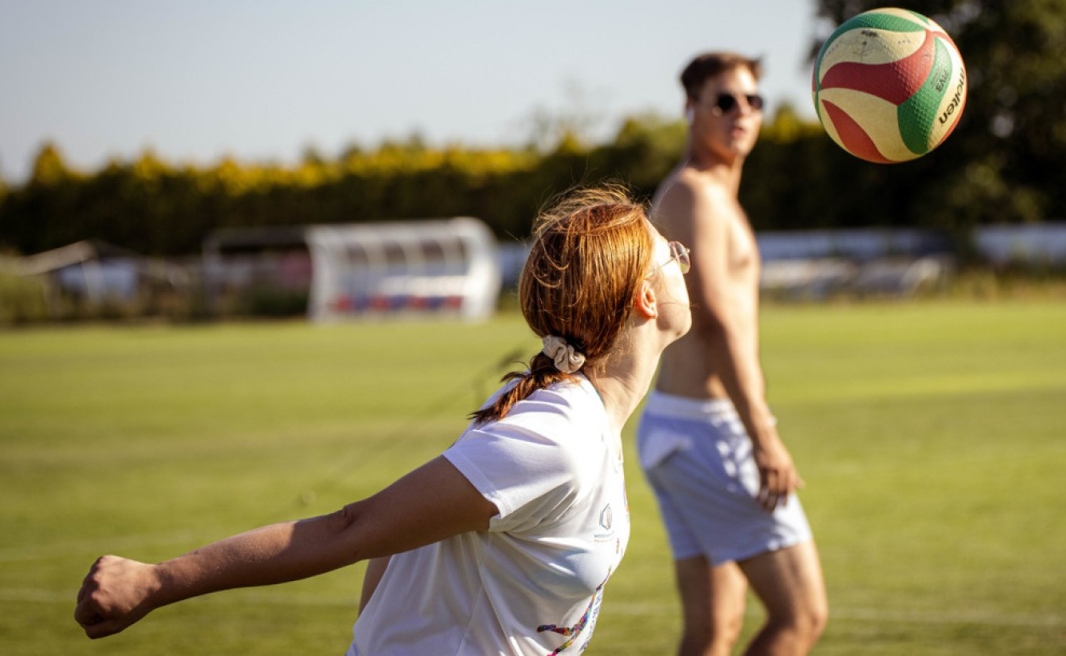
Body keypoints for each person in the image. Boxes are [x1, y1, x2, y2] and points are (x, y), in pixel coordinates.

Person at [75, 185, 693, 655]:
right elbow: (354, 529)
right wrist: (157, 581)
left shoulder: (579, 423)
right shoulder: (559, 436)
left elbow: (397, 539)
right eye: (672, 254)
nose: (682, 256)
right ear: (643, 297)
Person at [636, 53, 828, 655]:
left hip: (678, 429)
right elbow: (715, 323)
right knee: (801, 616)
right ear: (690, 110)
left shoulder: (713, 192)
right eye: (724, 101)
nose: (741, 113)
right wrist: (762, 435)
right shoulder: (694, 193)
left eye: (752, 101)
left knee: (714, 628)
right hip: (709, 434)